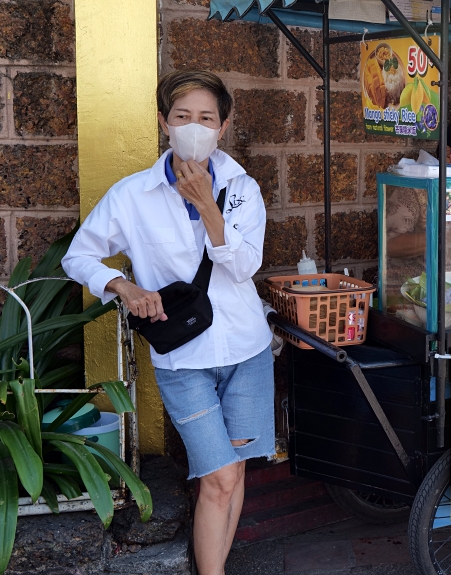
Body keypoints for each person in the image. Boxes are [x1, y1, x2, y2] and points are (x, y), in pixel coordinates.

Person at [62, 71, 273, 575]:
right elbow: (79, 255)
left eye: (206, 118)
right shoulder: (131, 195)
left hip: (247, 350)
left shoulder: (242, 189)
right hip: (184, 359)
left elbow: (244, 266)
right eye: (182, 117)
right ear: (164, 123)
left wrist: (208, 206)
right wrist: (124, 287)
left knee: (233, 474)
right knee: (217, 477)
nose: (194, 127)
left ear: (222, 127)